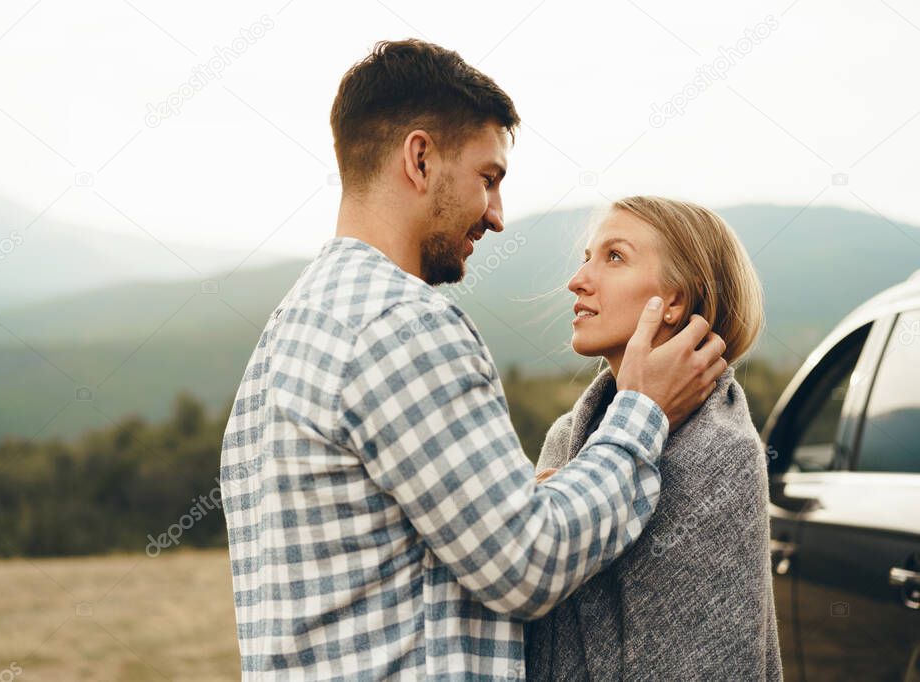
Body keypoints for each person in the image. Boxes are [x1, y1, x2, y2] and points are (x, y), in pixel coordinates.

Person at [220, 41, 726, 679]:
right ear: (421, 158)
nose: (497, 215)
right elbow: (527, 564)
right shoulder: (403, 325)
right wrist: (642, 414)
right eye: (488, 178)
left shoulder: (289, 330)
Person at [525, 197, 782, 680]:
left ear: (676, 302)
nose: (578, 280)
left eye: (614, 256)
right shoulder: (568, 436)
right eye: (586, 257)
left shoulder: (719, 450)